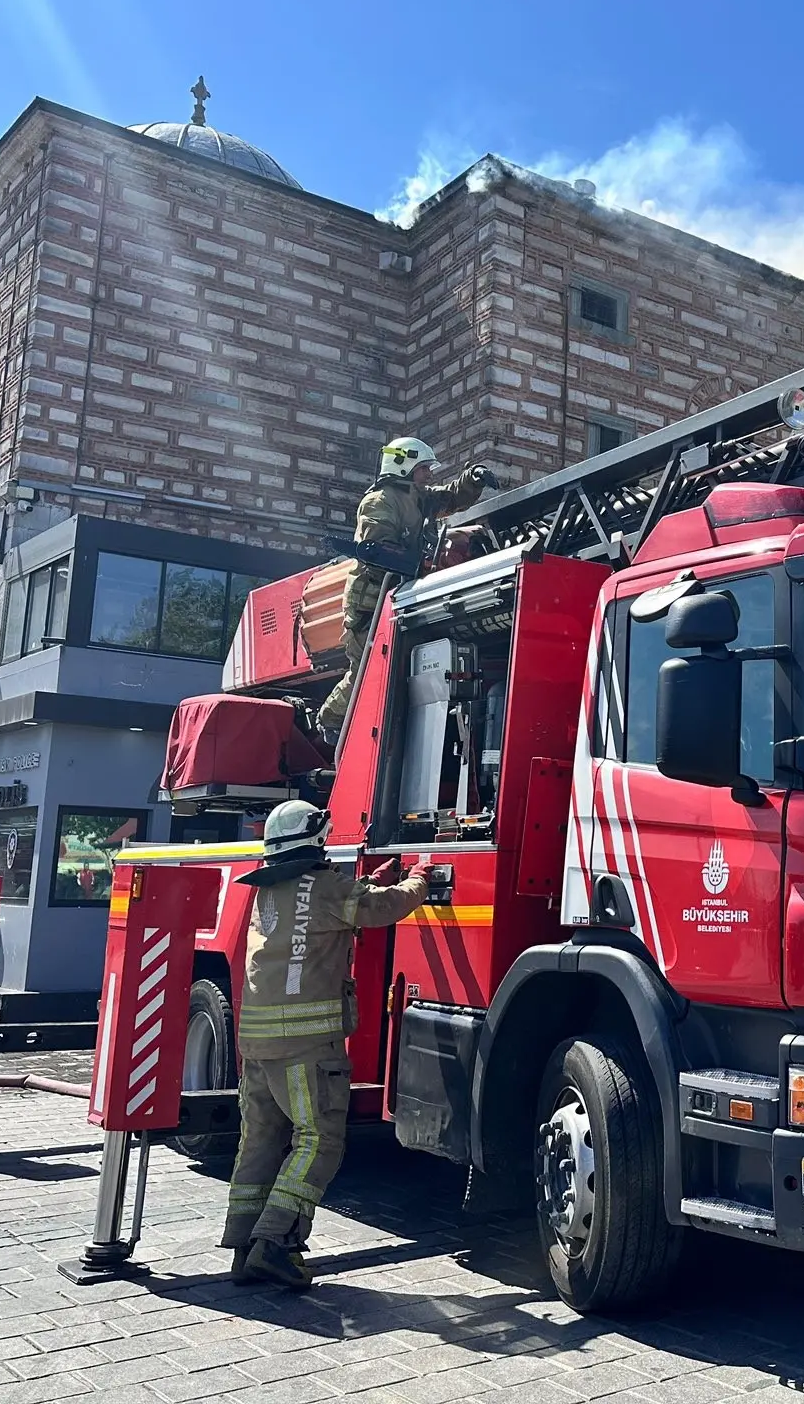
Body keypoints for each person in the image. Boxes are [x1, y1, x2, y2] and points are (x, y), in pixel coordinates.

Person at [221, 800, 428, 1290]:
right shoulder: (327, 887)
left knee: (260, 1141)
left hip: (257, 1044)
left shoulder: (269, 893)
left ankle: (244, 1246)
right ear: (315, 841)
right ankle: (275, 1243)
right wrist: (419, 878)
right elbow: (381, 909)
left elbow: (320, 917)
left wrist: (367, 881)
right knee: (317, 1139)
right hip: (307, 1047)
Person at [315, 438, 494, 739]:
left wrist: (472, 479)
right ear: (402, 464)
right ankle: (330, 720)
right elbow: (379, 552)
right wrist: (420, 562)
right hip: (369, 605)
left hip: (398, 599)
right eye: (423, 468)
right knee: (366, 671)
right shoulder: (379, 501)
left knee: (394, 673)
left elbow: (449, 498)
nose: (428, 474)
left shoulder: (418, 496)